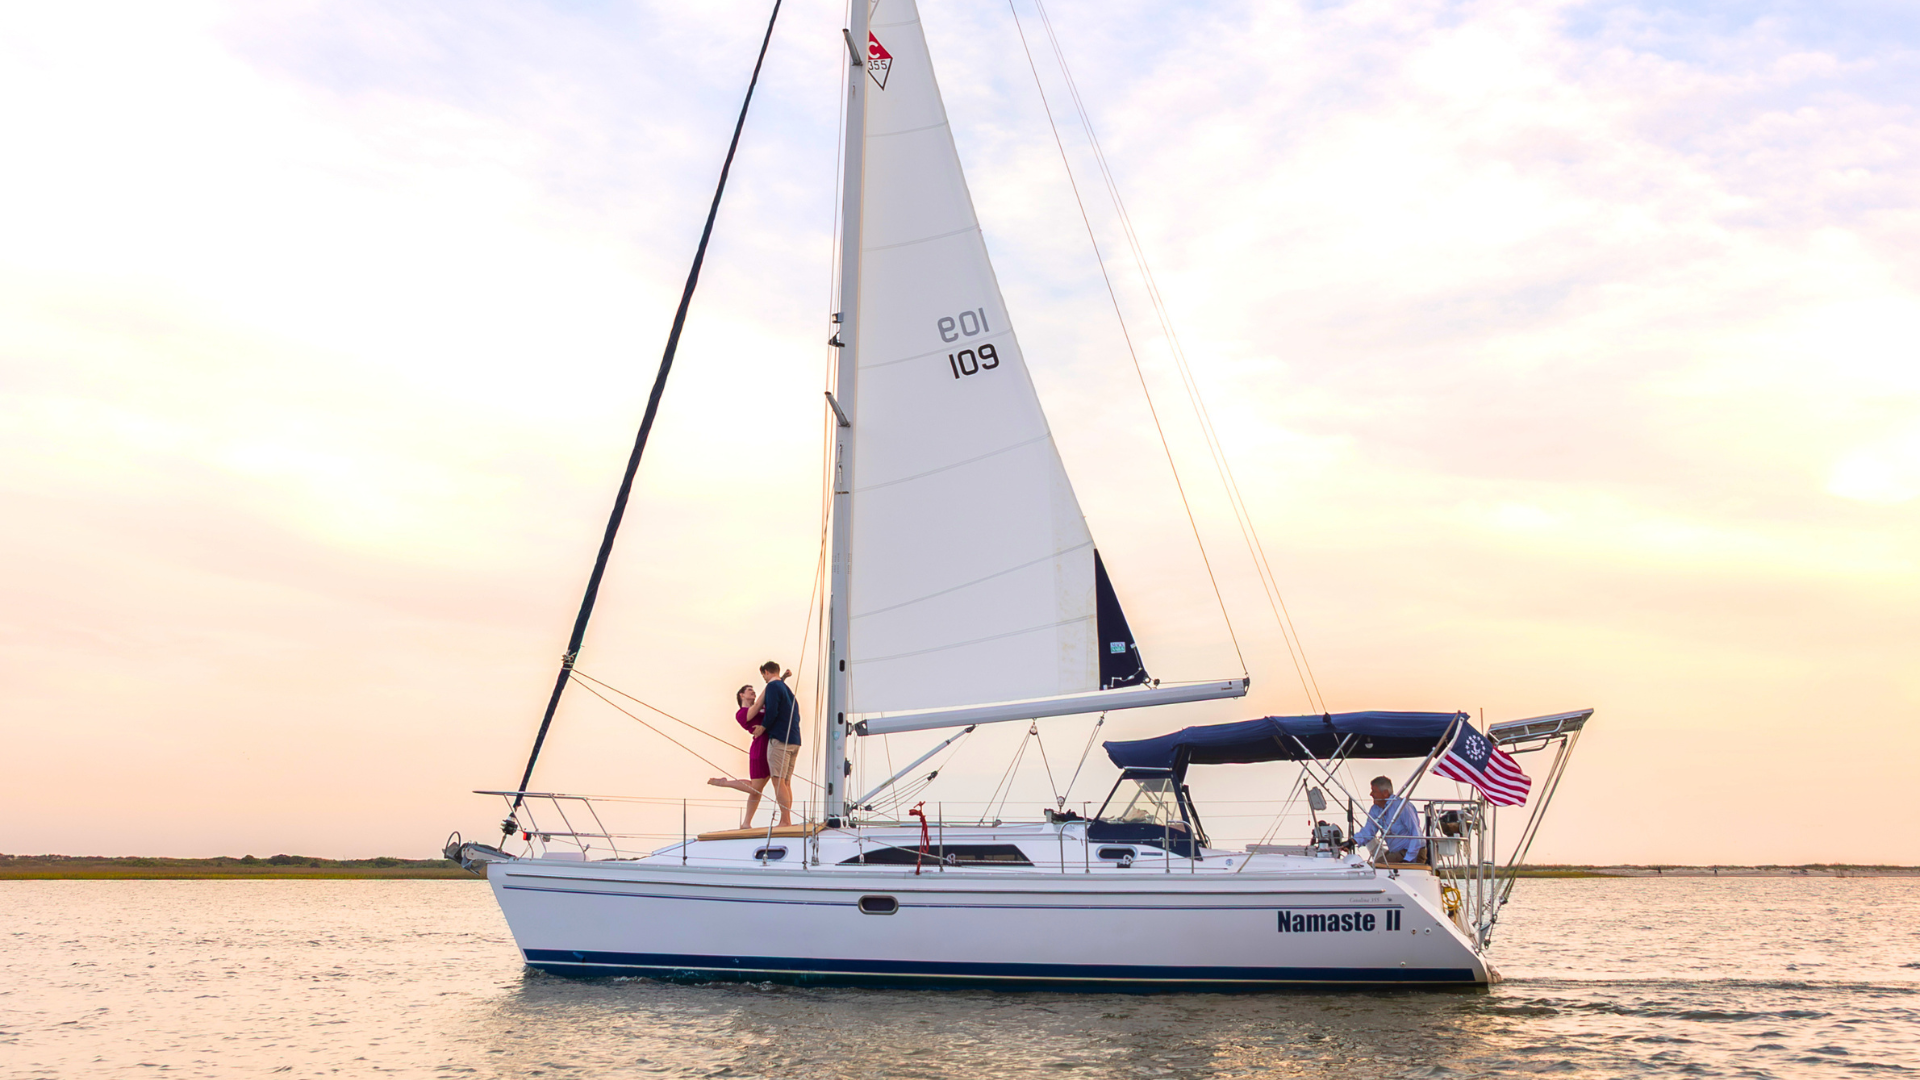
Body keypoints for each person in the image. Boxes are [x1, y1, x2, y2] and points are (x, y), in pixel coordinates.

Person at [739, 660, 800, 827]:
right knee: (785, 781)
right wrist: (784, 678)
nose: (764, 681)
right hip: (794, 738)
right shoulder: (787, 690)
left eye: (763, 676)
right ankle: (785, 819)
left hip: (779, 739)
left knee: (779, 781)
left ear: (766, 672)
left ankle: (785, 821)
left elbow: (771, 709)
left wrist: (764, 726)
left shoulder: (773, 687)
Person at [706, 685, 769, 828]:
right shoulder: (741, 713)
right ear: (741, 695)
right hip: (760, 749)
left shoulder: (762, 707)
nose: (753, 691)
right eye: (749, 690)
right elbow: (757, 706)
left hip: (770, 746)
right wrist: (771, 683)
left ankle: (746, 823)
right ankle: (725, 783)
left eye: (754, 689)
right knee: (755, 788)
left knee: (758, 788)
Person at [1351, 776, 1425, 864]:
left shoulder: (1403, 807)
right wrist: (1352, 841)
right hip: (1397, 853)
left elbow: (1416, 834)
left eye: (1374, 791)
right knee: (1375, 866)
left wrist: (1408, 859)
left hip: (1411, 852)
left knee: (1377, 867)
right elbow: (1368, 831)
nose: (1371, 794)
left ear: (1385, 793)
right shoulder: (1375, 809)